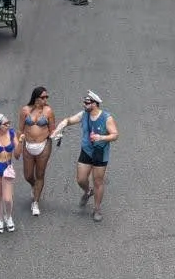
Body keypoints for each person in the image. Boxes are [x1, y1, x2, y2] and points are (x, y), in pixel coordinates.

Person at [51, 90, 119, 223]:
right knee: (81, 179)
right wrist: (60, 128)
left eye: (87, 103)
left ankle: (97, 209)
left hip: (100, 153)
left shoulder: (106, 118)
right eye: (84, 102)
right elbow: (69, 120)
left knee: (98, 181)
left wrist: (101, 137)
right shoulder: (84, 115)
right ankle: (88, 191)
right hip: (87, 151)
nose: (84, 104)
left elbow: (115, 135)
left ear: (95, 104)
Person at [18, 86, 56, 217]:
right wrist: (18, 144)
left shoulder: (49, 111)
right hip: (28, 145)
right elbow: (20, 129)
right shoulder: (25, 110)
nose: (45, 99)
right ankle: (35, 187)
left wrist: (57, 135)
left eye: (47, 97)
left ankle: (35, 202)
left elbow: (52, 130)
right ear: (36, 98)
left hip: (43, 146)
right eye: (43, 97)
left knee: (40, 174)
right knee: (28, 175)